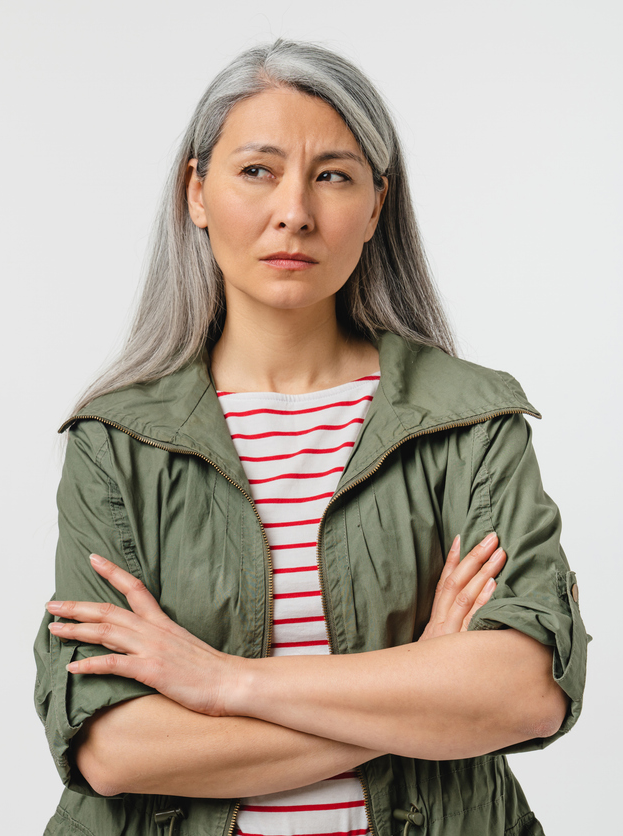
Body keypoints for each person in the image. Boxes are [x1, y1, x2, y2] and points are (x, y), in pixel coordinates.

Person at [33, 40, 587, 836]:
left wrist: (224, 683)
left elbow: (524, 693)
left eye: (332, 174)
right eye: (256, 170)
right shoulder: (119, 441)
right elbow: (114, 748)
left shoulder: (468, 420)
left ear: (374, 205)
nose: (293, 210)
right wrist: (419, 690)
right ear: (196, 191)